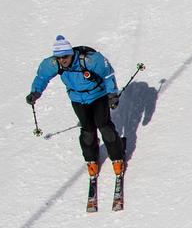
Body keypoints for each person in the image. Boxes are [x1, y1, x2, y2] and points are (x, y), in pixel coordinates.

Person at [26, 35, 125, 177]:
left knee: (104, 126)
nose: (62, 60)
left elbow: (108, 75)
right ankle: (91, 160)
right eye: (59, 57)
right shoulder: (54, 64)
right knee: (87, 130)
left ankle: (117, 157)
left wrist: (112, 95)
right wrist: (35, 92)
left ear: (71, 53)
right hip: (77, 99)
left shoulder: (90, 59)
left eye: (65, 56)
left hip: (98, 96)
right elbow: (42, 77)